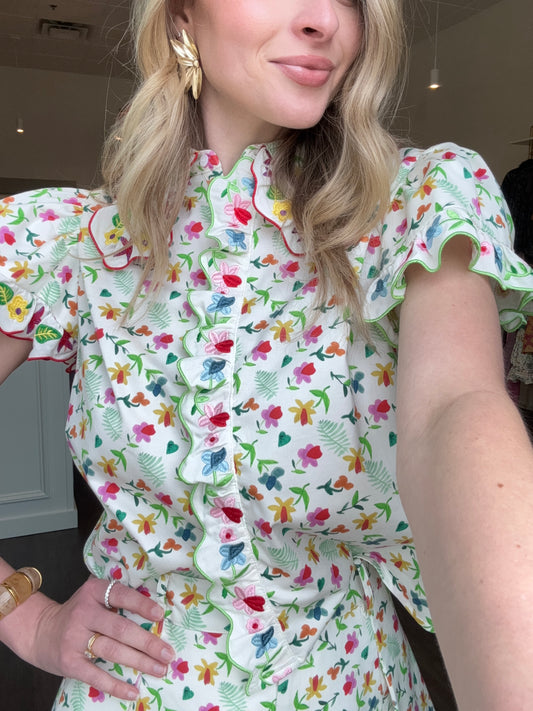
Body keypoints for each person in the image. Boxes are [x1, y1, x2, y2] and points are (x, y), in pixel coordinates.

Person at [1, 1, 532, 709]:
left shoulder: (418, 205)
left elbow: (453, 411)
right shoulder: (68, 240)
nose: (324, 20)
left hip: (353, 686)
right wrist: (27, 618)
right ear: (182, 16)